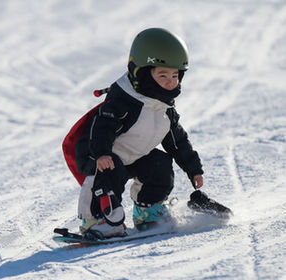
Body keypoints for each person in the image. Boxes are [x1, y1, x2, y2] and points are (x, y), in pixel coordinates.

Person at [75, 28, 204, 238]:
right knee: (109, 171)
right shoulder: (123, 102)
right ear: (142, 73)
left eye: (175, 75)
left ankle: (148, 211)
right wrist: (101, 153)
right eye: (163, 75)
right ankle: (95, 219)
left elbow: (177, 141)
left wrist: (193, 169)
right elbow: (102, 128)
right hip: (99, 154)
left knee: (159, 163)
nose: (171, 81)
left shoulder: (164, 108)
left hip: (133, 156)